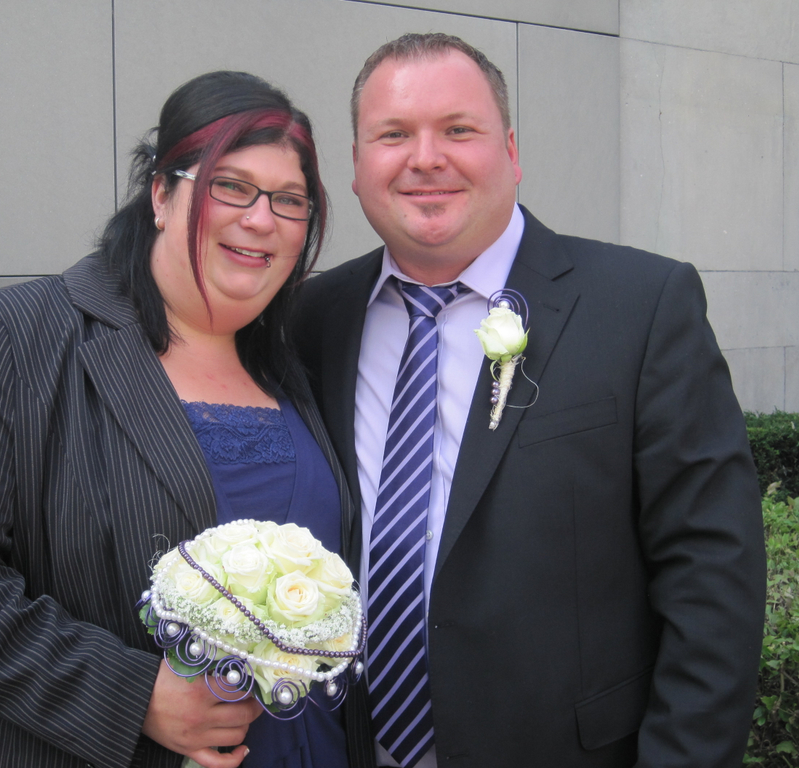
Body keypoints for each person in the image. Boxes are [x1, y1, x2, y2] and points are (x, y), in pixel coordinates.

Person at [293, 33, 767, 768]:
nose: (426, 158)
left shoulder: (642, 306)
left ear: (511, 151)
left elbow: (713, 577)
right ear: (355, 166)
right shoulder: (310, 319)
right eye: (393, 135)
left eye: (459, 130)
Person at [0, 71, 354, 768]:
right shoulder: (10, 338)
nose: (261, 219)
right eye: (230, 186)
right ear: (160, 194)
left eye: (290, 199)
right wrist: (130, 696)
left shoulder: (294, 361)